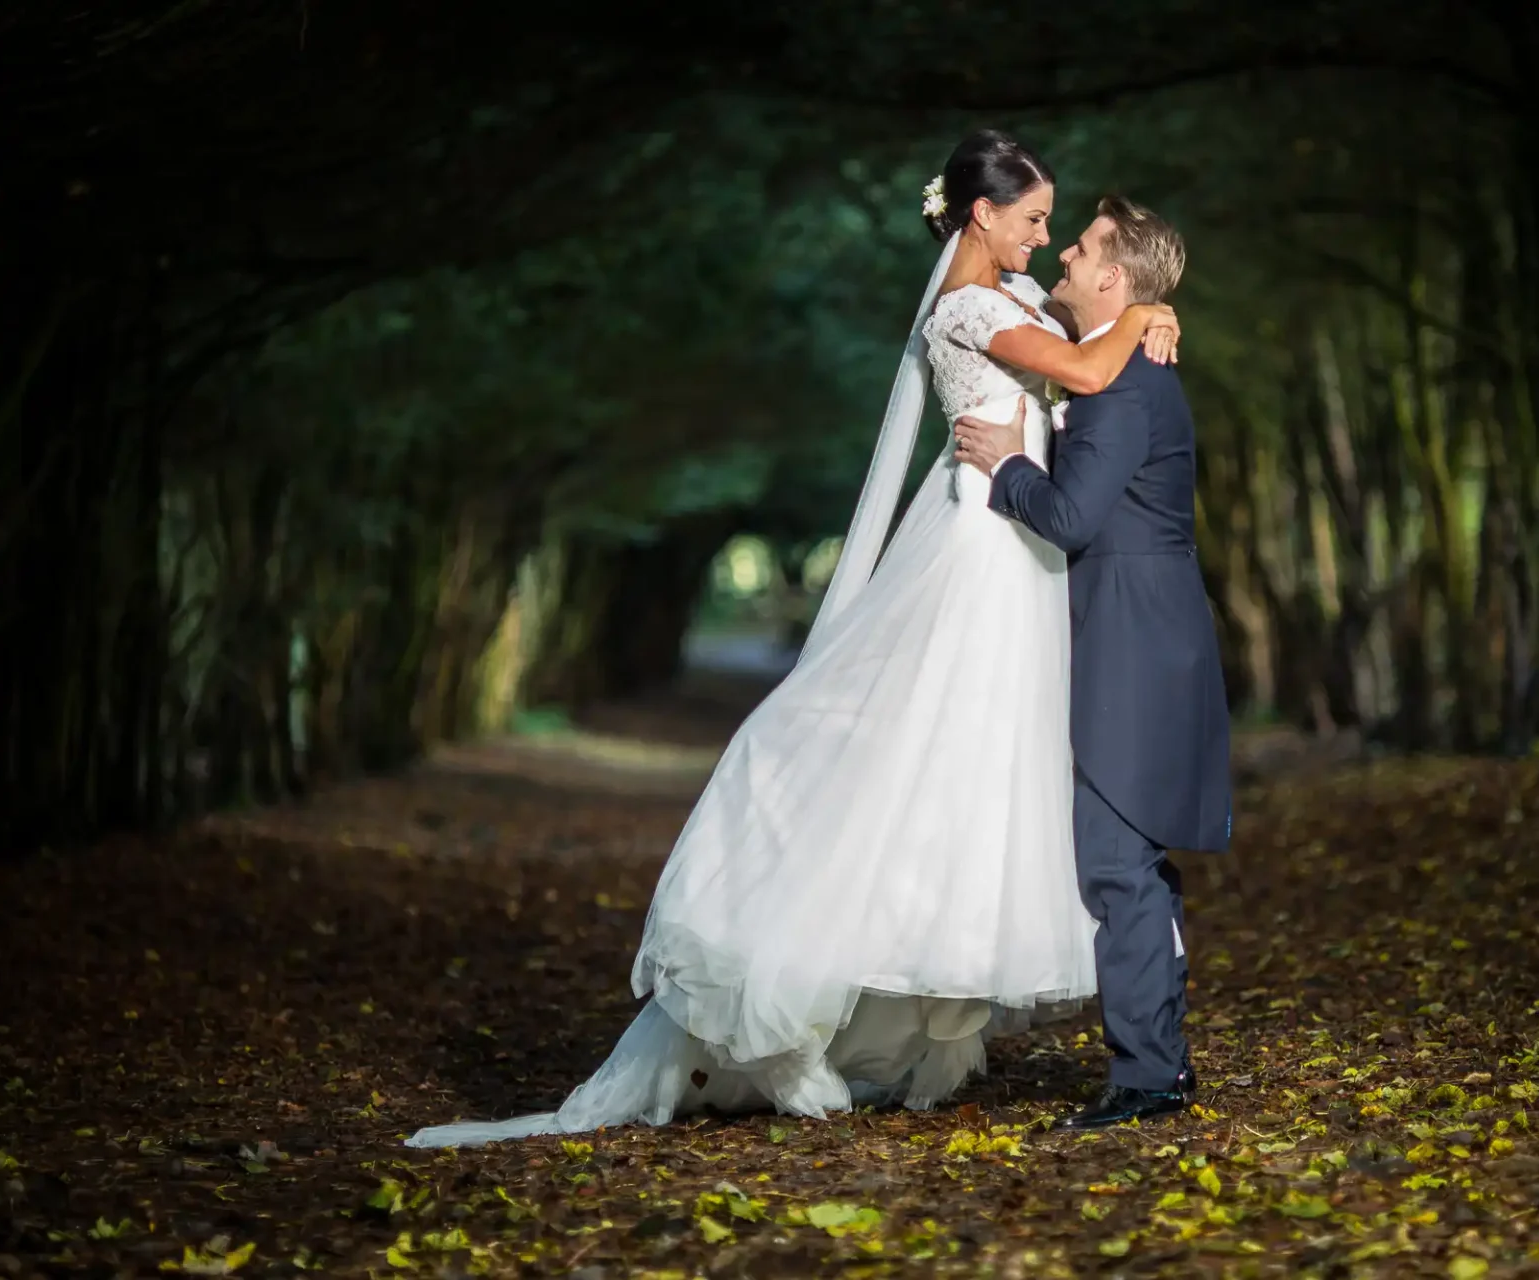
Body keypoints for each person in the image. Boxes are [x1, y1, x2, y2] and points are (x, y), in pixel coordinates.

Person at [404, 130, 1181, 1146]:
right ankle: (792, 978)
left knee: (967, 770)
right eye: (1035, 218)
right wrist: (1154, 313)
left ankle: (910, 975)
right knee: (903, 755)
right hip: (979, 557)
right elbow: (1082, 372)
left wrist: (1133, 321)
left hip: (1018, 559)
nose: (1046, 236)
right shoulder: (970, 308)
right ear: (983, 216)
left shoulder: (1018, 297)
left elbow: (1080, 361)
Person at [952, 196, 1230, 1129]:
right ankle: (1163, 1063)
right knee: (1132, 862)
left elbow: (1071, 520)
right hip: (1136, 629)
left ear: (1111, 276)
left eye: (1079, 249)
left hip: (1133, 639)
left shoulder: (1118, 387)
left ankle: (1150, 1077)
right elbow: (1002, 282)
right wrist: (1154, 311)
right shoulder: (1121, 362)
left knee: (1116, 865)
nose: (1059, 258)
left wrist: (1005, 464)